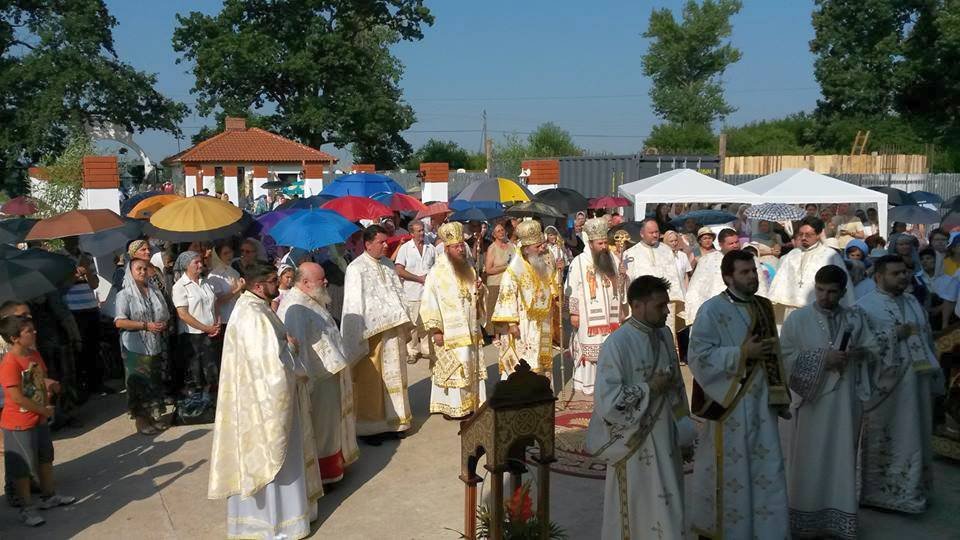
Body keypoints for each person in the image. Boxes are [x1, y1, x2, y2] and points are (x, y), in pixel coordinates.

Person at [208, 263, 323, 539]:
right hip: (265, 407)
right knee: (274, 460)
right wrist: (292, 348)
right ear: (259, 286)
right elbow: (272, 367)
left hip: (258, 402)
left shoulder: (255, 307)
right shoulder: (253, 315)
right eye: (273, 281)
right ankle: (277, 524)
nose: (279, 285)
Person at [688, 250, 791, 539]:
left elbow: (774, 354)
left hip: (761, 406)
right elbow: (698, 356)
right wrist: (741, 354)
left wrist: (780, 395)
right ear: (727, 277)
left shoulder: (763, 307)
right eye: (744, 273)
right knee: (730, 471)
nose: (751, 277)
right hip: (729, 406)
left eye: (753, 272)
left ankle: (764, 531)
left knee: (765, 469)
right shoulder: (711, 310)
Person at [586, 276, 690, 540]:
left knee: (670, 504)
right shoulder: (617, 343)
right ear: (637, 305)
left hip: (666, 437)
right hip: (633, 445)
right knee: (636, 506)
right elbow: (607, 403)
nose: (667, 311)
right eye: (660, 306)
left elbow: (677, 387)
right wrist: (648, 388)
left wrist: (685, 431)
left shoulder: (665, 335)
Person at [779, 265, 879, 539]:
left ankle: (839, 518)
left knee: (842, 457)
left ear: (843, 292)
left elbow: (873, 349)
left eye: (832, 292)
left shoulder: (855, 319)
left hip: (846, 402)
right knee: (809, 457)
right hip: (813, 402)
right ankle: (804, 518)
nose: (824, 296)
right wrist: (824, 359)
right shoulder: (798, 319)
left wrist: (859, 353)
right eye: (820, 290)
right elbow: (784, 358)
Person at [857, 255, 940, 514]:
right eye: (895, 273)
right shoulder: (864, 306)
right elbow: (860, 348)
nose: (903, 277)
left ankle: (911, 489)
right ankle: (877, 493)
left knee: (915, 433)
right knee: (887, 435)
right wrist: (894, 335)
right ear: (878, 277)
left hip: (916, 385)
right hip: (885, 389)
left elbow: (926, 335)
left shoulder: (913, 301)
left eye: (904, 272)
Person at [278, 263, 358, 484]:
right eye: (320, 279)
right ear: (304, 283)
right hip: (316, 380)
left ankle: (334, 468)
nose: (325, 282)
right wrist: (307, 385)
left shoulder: (311, 299)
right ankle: (324, 477)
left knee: (330, 429)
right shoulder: (294, 307)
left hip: (328, 374)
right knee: (322, 431)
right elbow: (298, 349)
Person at [1, 315, 76, 527]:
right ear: (15, 338)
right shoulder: (9, 362)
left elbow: (37, 379)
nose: (34, 333)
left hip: (39, 417)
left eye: (33, 329)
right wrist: (43, 409)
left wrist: (50, 385)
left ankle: (49, 495)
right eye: (28, 331)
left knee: (45, 458)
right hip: (19, 422)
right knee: (23, 467)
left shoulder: (33, 354)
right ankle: (26, 508)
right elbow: (16, 396)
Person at [341, 225, 412, 442]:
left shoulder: (389, 264)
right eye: (381, 242)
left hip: (393, 330)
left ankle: (394, 422)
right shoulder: (356, 268)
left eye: (386, 242)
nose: (385, 246)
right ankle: (369, 427)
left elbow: (397, 293)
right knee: (371, 380)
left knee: (394, 376)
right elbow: (353, 303)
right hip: (370, 333)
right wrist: (357, 333)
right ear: (368, 244)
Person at [420, 222, 487, 420]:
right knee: (454, 368)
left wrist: (480, 290)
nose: (461, 249)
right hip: (449, 332)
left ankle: (473, 403)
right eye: (456, 246)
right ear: (446, 248)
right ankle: (453, 408)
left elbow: (475, 297)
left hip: (470, 328)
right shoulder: (436, 273)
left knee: (470, 364)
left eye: (461, 245)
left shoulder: (468, 268)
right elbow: (429, 302)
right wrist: (436, 330)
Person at [565, 218, 627, 395]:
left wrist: (623, 276)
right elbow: (571, 289)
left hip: (611, 315)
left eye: (605, 242)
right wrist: (574, 313)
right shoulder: (579, 261)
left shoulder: (613, 258)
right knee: (591, 349)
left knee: (611, 348)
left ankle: (609, 384)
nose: (604, 246)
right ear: (590, 243)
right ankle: (588, 385)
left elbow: (618, 288)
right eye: (600, 243)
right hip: (588, 316)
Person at [492, 220, 556, 380]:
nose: (542, 248)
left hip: (540, 322)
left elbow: (548, 286)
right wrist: (512, 323)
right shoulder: (514, 270)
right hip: (522, 323)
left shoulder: (540, 264)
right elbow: (506, 296)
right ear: (526, 249)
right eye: (537, 246)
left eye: (542, 244)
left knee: (540, 363)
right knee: (521, 363)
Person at [114, 258, 171, 435]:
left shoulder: (153, 291)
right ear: (130, 272)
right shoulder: (125, 294)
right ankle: (141, 419)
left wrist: (161, 324)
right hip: (135, 345)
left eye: (145, 269)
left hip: (154, 342)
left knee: (153, 380)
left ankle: (153, 416)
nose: (142, 272)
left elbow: (164, 313)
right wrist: (145, 326)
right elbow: (120, 322)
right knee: (139, 382)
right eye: (138, 269)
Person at [768, 216, 852, 320]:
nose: (803, 238)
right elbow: (780, 281)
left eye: (808, 235)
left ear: (818, 234)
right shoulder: (792, 255)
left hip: (819, 311)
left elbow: (842, 285)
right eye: (801, 234)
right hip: (791, 309)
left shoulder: (830, 255)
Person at [622, 219, 685, 337]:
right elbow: (629, 282)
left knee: (666, 335)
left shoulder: (666, 250)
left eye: (657, 232)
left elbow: (674, 276)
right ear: (642, 233)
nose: (655, 235)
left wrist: (676, 298)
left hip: (666, 303)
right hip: (645, 304)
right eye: (651, 232)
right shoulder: (630, 254)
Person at [171, 251, 220, 399]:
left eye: (201, 262)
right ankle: (198, 402)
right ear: (187, 266)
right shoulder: (180, 286)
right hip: (193, 335)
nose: (200, 265)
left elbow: (214, 302)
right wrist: (206, 328)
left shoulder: (206, 282)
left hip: (211, 332)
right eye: (196, 263)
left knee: (212, 369)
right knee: (196, 370)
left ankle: (210, 399)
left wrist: (217, 322)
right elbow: (183, 314)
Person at [394, 221, 437, 362]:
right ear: (411, 233)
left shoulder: (430, 248)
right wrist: (418, 278)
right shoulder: (405, 249)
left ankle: (426, 349)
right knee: (412, 323)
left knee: (427, 320)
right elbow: (399, 270)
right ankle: (412, 351)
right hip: (411, 292)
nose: (422, 233)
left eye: (422, 230)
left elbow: (437, 267)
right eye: (418, 231)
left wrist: (429, 278)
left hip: (428, 291)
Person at [684, 228, 746, 325]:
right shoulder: (707, 260)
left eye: (736, 242)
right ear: (721, 245)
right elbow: (696, 289)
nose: (735, 246)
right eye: (731, 244)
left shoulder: (748, 259)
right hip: (717, 312)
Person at [484, 221, 515, 335]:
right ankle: (494, 335)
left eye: (502, 230)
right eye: (498, 231)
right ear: (494, 234)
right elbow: (488, 270)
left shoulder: (511, 246)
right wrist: (505, 267)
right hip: (495, 282)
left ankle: (506, 332)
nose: (501, 232)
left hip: (509, 283)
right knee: (494, 308)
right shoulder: (492, 248)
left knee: (507, 308)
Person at [917, 247, 959, 330]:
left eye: (928, 258)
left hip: (945, 320)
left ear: (937, 260)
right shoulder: (916, 279)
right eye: (921, 259)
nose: (924, 261)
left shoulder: (950, 280)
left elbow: (951, 302)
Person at [662, 230, 693, 294]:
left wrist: (687, 292)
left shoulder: (683, 255)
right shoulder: (662, 257)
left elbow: (685, 276)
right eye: (671, 241)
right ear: (666, 242)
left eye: (675, 240)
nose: (674, 243)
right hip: (669, 292)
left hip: (682, 291)